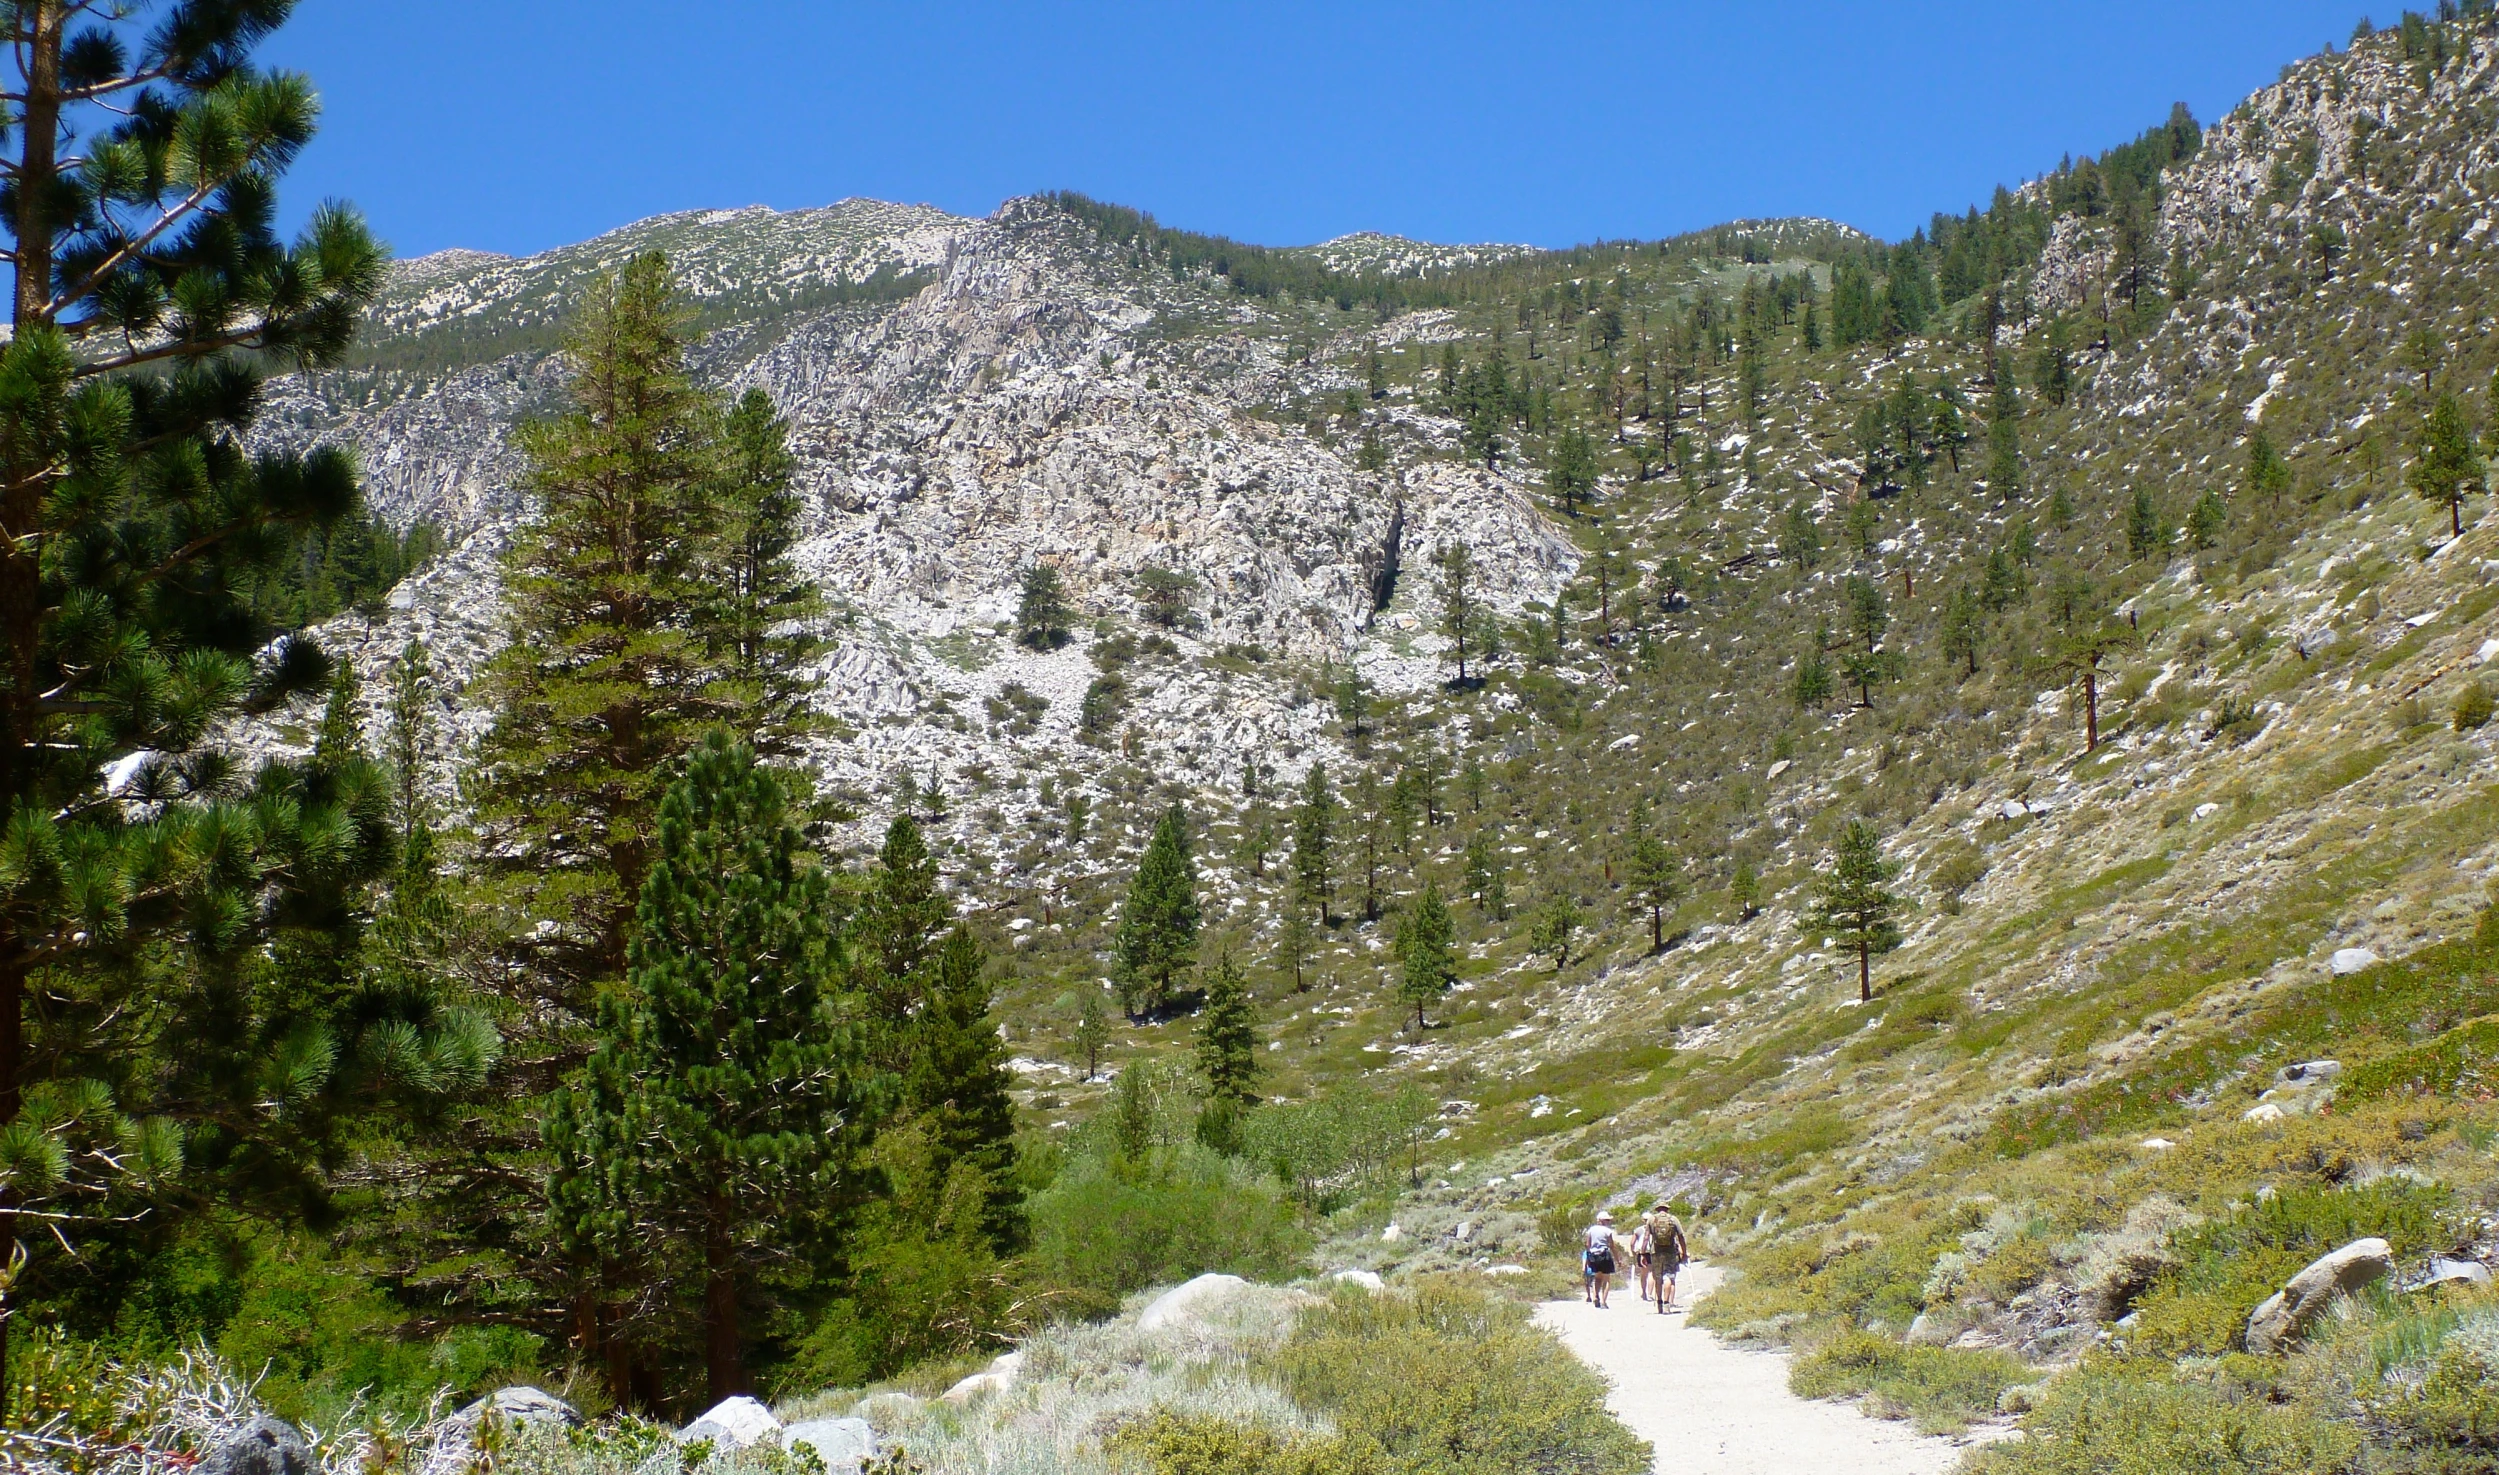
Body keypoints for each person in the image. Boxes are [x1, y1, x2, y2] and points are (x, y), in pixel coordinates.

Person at [1652, 1204, 1691, 1313]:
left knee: (1658, 1277)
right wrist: (1684, 1251)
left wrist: (1642, 1253)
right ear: (1667, 1210)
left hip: (1656, 1252)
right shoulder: (1673, 1219)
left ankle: (1659, 1302)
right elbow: (1681, 1236)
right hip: (1670, 1252)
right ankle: (1666, 1303)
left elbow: (1647, 1236)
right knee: (1668, 1276)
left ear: (1657, 1210)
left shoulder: (1652, 1219)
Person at [1584, 1209, 1620, 1308]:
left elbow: (1587, 1244)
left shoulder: (1591, 1230)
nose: (1608, 1222)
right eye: (1607, 1220)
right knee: (1607, 1279)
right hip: (1604, 1255)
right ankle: (1604, 1301)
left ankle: (1596, 1296)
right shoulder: (1607, 1231)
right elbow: (1612, 1246)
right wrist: (1618, 1259)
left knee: (1597, 1277)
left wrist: (1588, 1256)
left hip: (1593, 1255)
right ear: (1601, 1220)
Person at [1629, 1214, 1658, 1304]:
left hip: (1642, 1253)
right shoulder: (1655, 1228)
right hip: (1653, 1252)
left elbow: (1632, 1243)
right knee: (1652, 1273)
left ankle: (1644, 1293)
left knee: (1643, 1274)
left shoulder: (1638, 1230)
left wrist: (1633, 1252)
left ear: (1643, 1220)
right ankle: (1649, 1293)